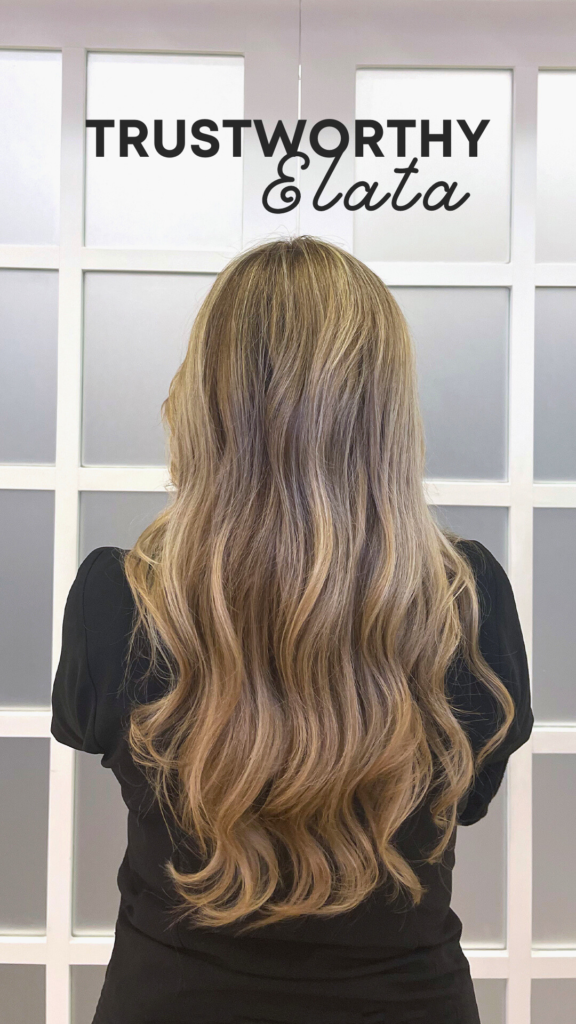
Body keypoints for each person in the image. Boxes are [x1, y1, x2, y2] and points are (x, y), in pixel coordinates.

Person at [52, 236, 533, 1024]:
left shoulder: (120, 598)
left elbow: (92, 732)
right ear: (383, 413)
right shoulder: (467, 601)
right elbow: (468, 799)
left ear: (205, 398)